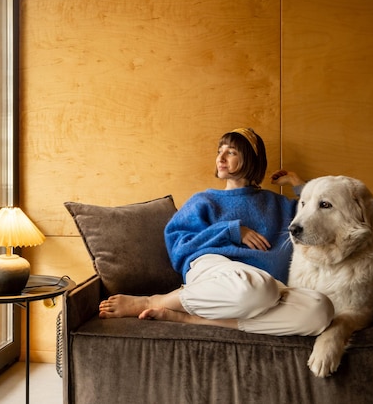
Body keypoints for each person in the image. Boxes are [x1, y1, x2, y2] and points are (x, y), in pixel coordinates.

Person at [99, 128, 333, 336]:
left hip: (266, 290)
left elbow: (314, 217)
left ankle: (194, 319)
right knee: (257, 288)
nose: (220, 158)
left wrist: (298, 183)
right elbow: (179, 246)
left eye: (230, 152)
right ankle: (156, 300)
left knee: (320, 311)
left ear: (251, 160)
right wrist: (232, 231)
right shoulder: (204, 201)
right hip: (215, 273)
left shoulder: (279, 204)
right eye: (219, 151)